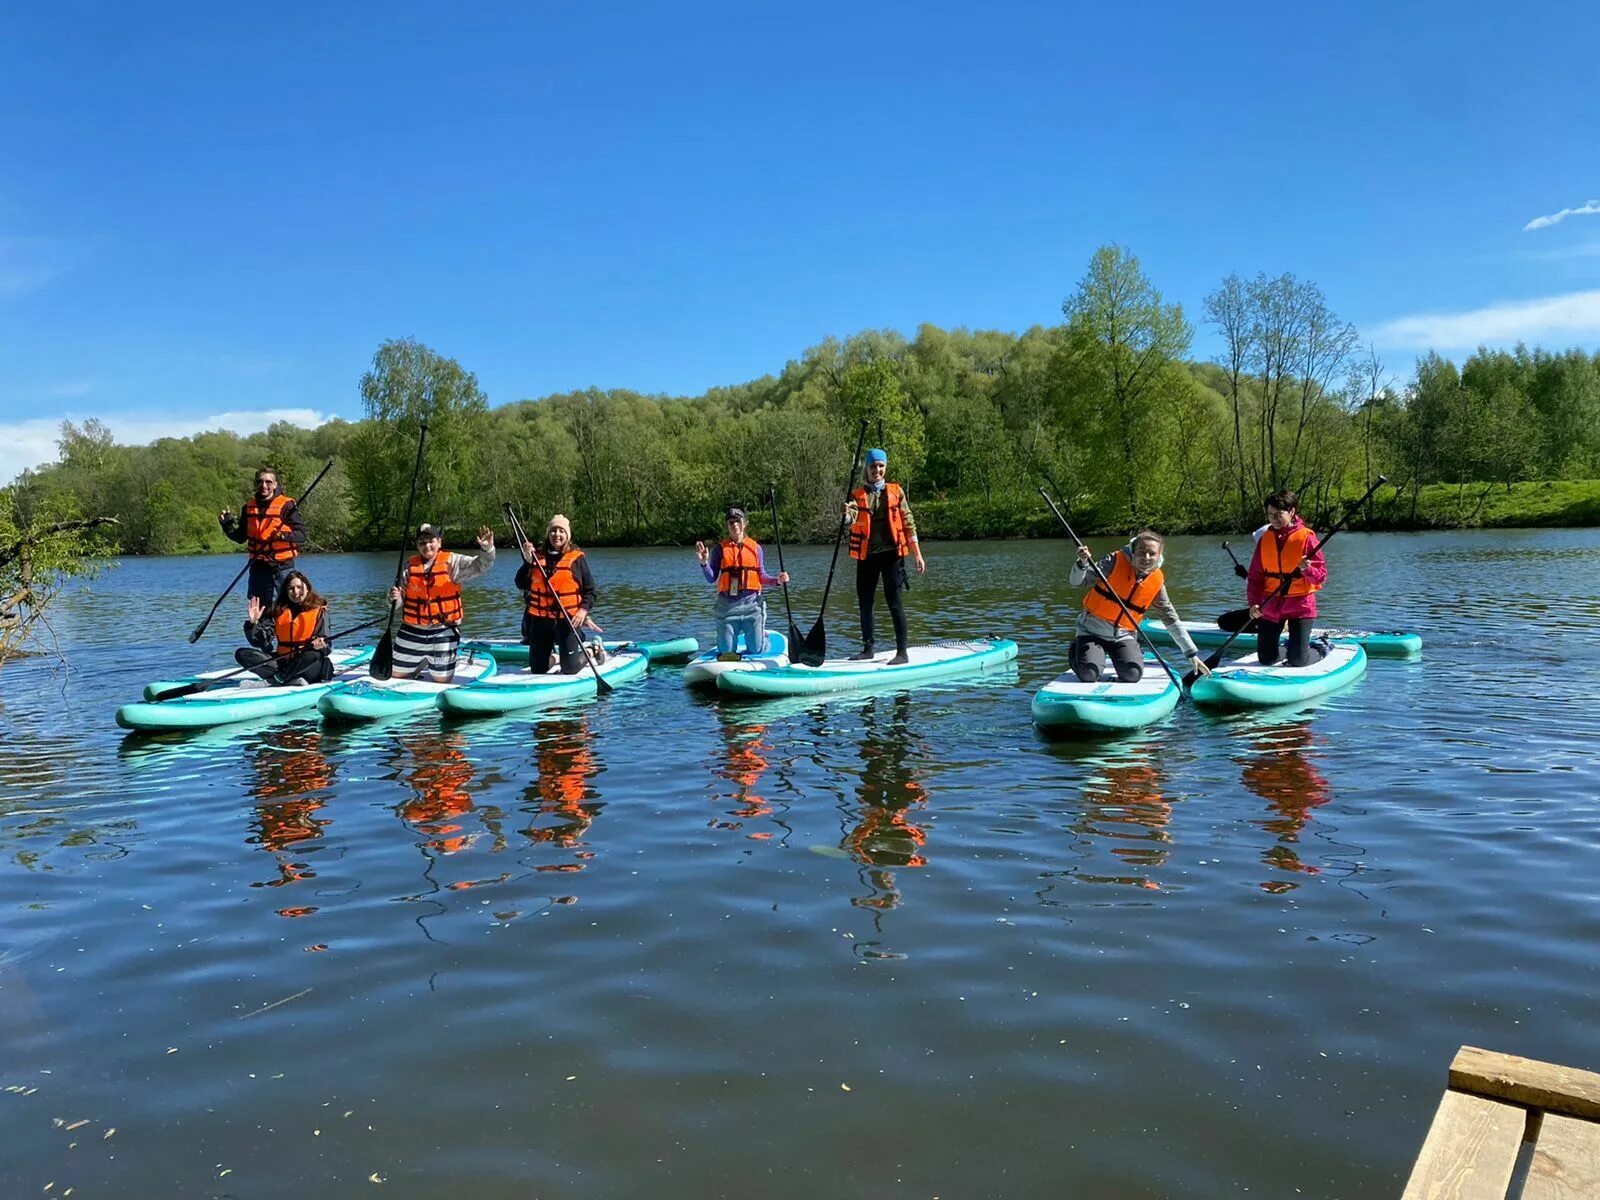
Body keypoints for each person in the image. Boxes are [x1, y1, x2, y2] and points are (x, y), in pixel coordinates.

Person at [1070, 531, 1209, 683]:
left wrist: (1191, 654)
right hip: (1092, 632)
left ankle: (1122, 654)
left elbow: (1169, 617)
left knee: (1132, 675)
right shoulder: (1114, 561)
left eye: (1152, 554)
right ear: (1133, 552)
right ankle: (1077, 652)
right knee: (1089, 674)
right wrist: (1082, 562)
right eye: (1142, 553)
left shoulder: (1156, 580)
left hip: (1123, 635)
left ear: (1159, 555)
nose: (1146, 558)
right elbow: (1077, 582)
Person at [844, 449, 926, 664]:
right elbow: (851, 520)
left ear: (885, 468)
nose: (877, 470)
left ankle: (902, 653)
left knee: (895, 602)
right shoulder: (857, 495)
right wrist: (845, 516)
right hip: (867, 557)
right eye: (873, 466)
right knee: (865, 603)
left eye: (880, 466)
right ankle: (868, 649)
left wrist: (917, 554)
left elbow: (908, 522)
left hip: (892, 556)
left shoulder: (896, 492)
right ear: (867, 469)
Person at [387, 523, 496, 683]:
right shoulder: (408, 567)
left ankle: (437, 660)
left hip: (442, 630)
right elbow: (396, 603)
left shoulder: (453, 561)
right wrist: (393, 599)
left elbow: (481, 565)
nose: (427, 545)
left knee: (441, 680)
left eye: (431, 541)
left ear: (439, 542)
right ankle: (421, 661)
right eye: (422, 542)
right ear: (417, 545)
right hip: (412, 630)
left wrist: (487, 550)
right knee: (396, 676)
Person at [1245, 490, 1329, 667]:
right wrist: (1253, 603)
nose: (1273, 519)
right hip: (1270, 603)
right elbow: (1254, 577)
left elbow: (1320, 577)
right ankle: (1289, 650)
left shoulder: (1307, 537)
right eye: (1270, 515)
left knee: (1298, 661)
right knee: (1266, 659)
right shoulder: (1264, 539)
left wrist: (1308, 569)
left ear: (1291, 512)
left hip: (1300, 605)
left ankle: (1320, 648)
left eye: (1278, 514)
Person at [694, 506, 789, 658]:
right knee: (727, 652)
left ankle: (762, 637)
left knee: (756, 650)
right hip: (727, 607)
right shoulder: (720, 549)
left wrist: (777, 580)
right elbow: (711, 578)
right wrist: (704, 563)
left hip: (752, 605)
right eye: (731, 522)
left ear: (744, 524)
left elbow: (761, 576)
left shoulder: (756, 548)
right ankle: (727, 640)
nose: (735, 525)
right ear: (727, 526)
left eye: (738, 521)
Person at [514, 514, 597, 675]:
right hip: (541, 621)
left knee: (570, 669)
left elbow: (591, 590)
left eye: (561, 531)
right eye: (553, 531)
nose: (556, 534)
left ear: (567, 535)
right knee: (538, 669)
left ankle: (593, 650)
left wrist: (583, 610)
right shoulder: (536, 557)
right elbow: (520, 584)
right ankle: (556, 658)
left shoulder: (576, 559)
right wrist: (527, 562)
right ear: (548, 534)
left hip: (567, 620)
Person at [220, 466, 307, 607]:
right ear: (256, 484)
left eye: (268, 482)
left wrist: (282, 536)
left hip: (282, 568)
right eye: (260, 482)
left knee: (283, 608)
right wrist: (228, 526)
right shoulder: (248, 507)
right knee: (258, 611)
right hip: (258, 569)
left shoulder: (287, 506)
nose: (264, 486)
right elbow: (240, 537)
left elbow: (302, 535)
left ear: (275, 484)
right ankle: (259, 629)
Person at [235, 570, 333, 686]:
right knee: (242, 654)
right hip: (284, 661)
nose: (296, 592)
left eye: (299, 587)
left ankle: (280, 678)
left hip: (308, 665)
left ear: (307, 588)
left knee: (313, 654)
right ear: (286, 591)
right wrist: (253, 623)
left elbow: (327, 646)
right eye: (291, 588)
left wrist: (321, 644)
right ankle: (286, 678)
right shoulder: (278, 611)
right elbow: (261, 641)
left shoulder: (319, 611)